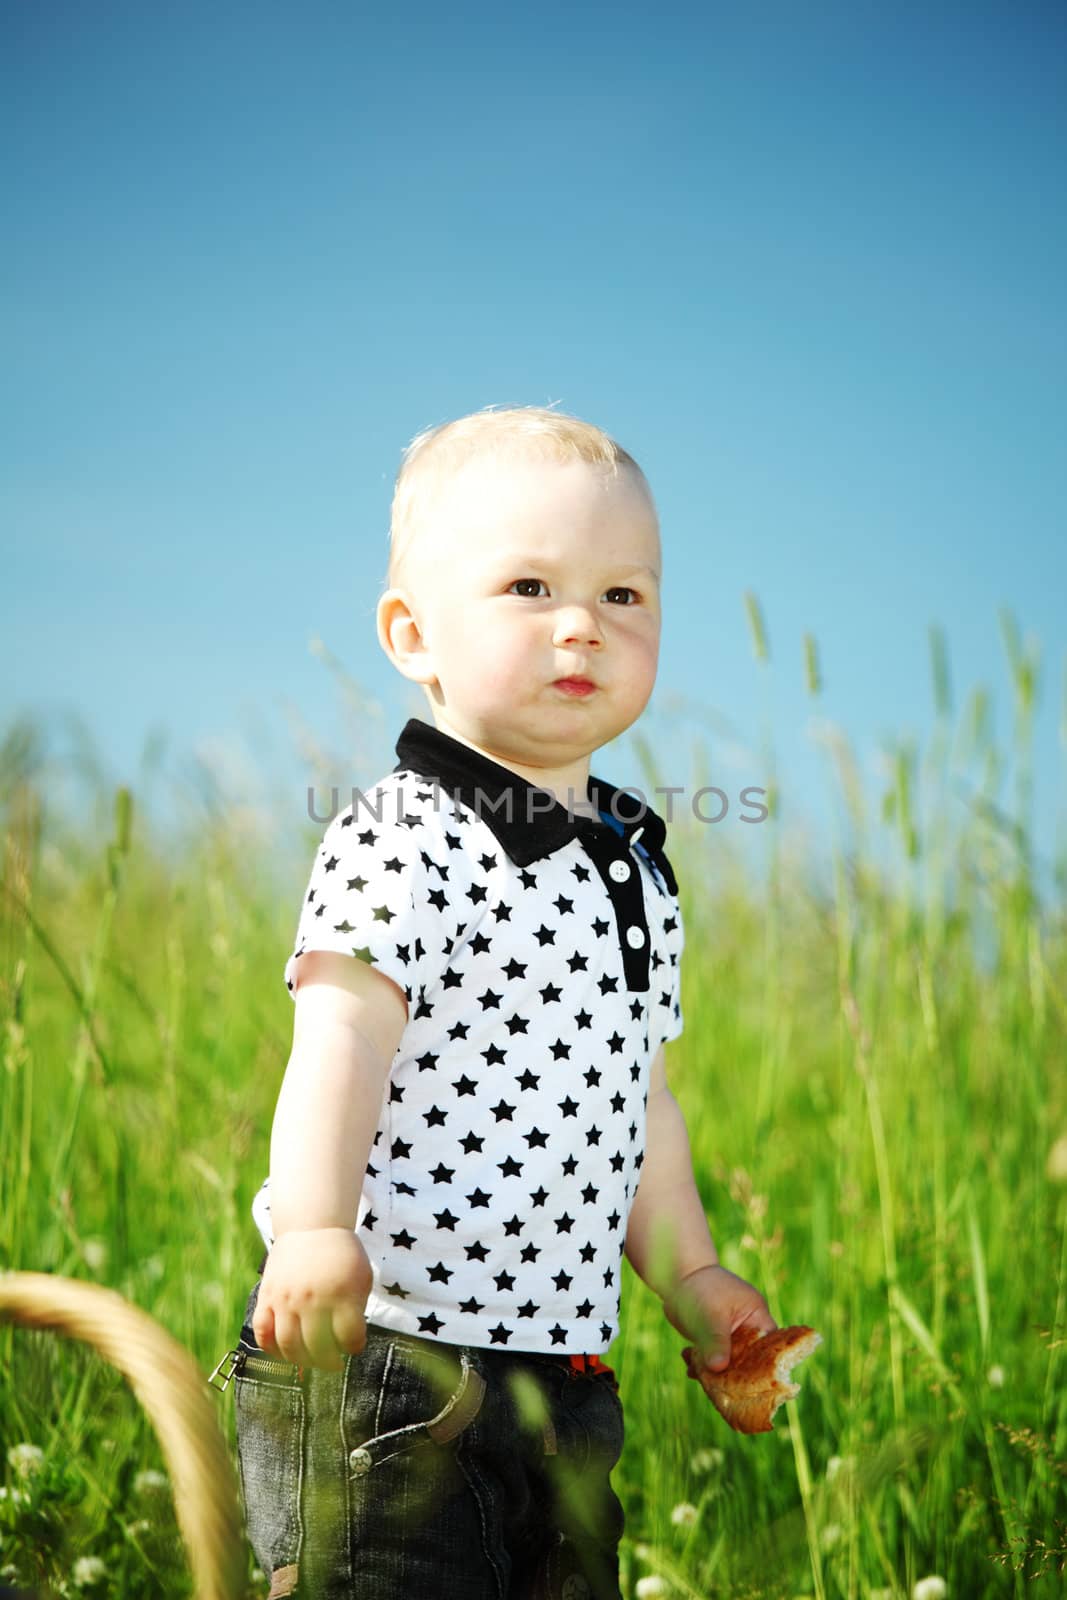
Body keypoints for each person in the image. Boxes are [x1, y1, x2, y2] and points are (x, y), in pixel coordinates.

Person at [221, 406, 777, 1599]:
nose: (582, 623)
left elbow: (639, 1100)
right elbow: (341, 1041)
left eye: (624, 596)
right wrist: (316, 1227)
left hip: (567, 1375)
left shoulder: (632, 862)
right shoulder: (401, 834)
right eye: (529, 586)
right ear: (413, 633)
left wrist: (688, 1275)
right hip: (396, 1356)